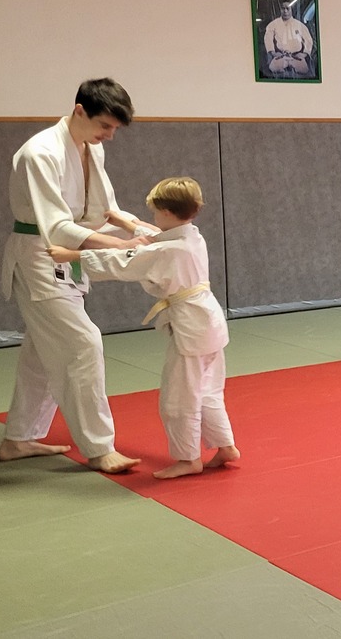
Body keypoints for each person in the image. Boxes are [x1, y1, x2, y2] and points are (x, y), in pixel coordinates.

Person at [0, 78, 145, 474]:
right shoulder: (40, 153)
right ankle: (99, 447)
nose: (109, 135)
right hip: (38, 256)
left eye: (115, 128)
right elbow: (56, 227)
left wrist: (143, 230)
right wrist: (116, 246)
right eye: (105, 126)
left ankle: (18, 438)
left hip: (67, 257)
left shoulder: (90, 147)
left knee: (43, 353)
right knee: (82, 343)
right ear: (79, 110)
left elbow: (104, 210)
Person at [49, 177, 238, 479]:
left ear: (166, 212)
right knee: (208, 390)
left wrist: (73, 256)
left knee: (178, 398)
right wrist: (127, 223)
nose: (154, 218)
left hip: (191, 329)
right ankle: (225, 446)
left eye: (155, 213)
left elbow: (126, 260)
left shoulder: (169, 251)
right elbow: (155, 238)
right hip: (209, 323)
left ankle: (188, 459)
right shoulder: (193, 237)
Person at [262, 1, 315, 78]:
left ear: (291, 10)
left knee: (304, 70)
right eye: (283, 8)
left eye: (287, 8)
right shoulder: (273, 24)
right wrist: (273, 52)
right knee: (273, 68)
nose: (285, 11)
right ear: (280, 10)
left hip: (297, 57)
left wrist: (304, 53)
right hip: (281, 56)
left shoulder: (299, 25)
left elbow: (308, 40)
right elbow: (268, 38)